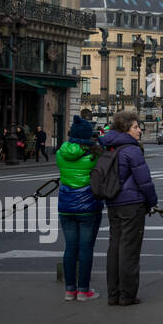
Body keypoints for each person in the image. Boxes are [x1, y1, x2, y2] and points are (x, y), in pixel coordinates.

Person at [99, 109, 158, 306]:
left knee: (114, 247)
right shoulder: (132, 150)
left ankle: (113, 293)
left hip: (113, 202)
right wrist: (151, 202)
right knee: (129, 250)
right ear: (126, 128)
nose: (139, 130)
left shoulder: (109, 147)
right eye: (135, 127)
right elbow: (145, 182)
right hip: (132, 204)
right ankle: (127, 295)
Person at [57, 117, 103, 302]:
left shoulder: (61, 153)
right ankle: (84, 290)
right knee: (86, 248)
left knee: (70, 248)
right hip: (88, 206)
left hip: (66, 205)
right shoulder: (94, 155)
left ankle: (70, 290)